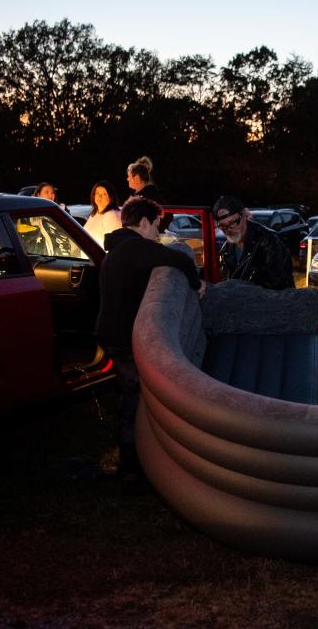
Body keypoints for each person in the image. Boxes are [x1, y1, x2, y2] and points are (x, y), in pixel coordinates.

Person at [95, 196, 204, 479]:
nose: (158, 233)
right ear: (143, 222)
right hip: (122, 338)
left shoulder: (118, 248)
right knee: (134, 399)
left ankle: (132, 458)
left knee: (128, 394)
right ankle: (132, 465)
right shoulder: (134, 248)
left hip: (109, 333)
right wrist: (197, 284)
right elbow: (178, 258)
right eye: (156, 225)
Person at [213, 195, 294, 290]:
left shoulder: (269, 242)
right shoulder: (226, 249)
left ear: (244, 215)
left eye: (233, 222)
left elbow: (277, 285)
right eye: (223, 226)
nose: (229, 229)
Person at [84, 180, 123, 248]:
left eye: (104, 194)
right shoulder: (95, 214)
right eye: (97, 193)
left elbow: (115, 245)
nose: (100, 196)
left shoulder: (111, 215)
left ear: (110, 197)